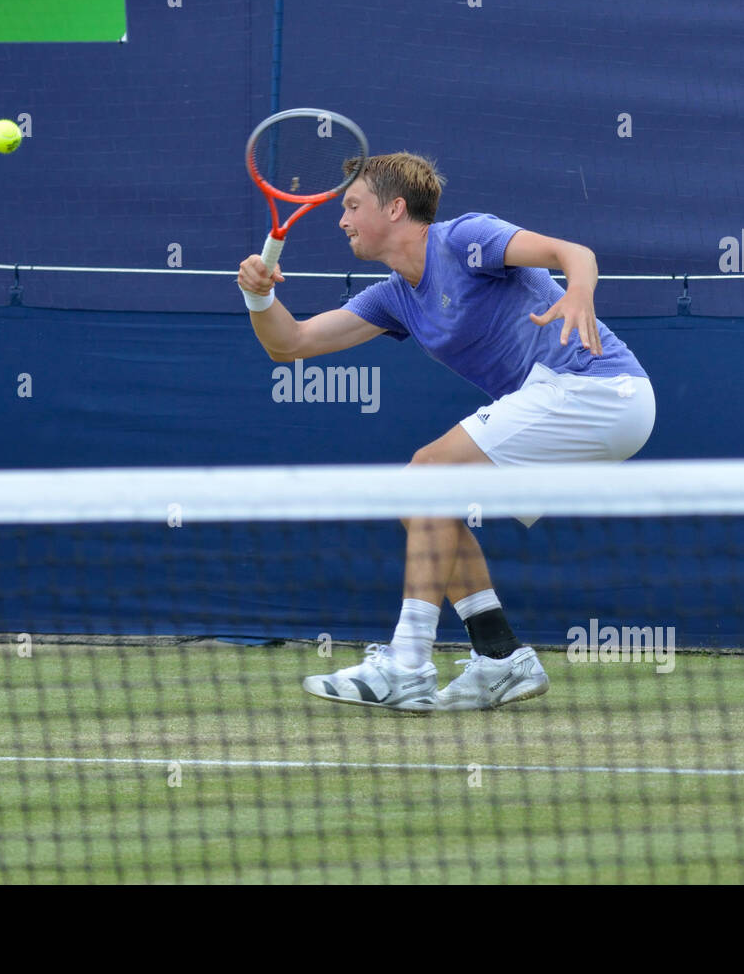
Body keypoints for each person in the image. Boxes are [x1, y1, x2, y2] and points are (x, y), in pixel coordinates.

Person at [236, 152, 654, 712]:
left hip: (599, 388)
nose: (342, 218)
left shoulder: (465, 239)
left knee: (428, 474)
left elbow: (570, 252)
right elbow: (290, 344)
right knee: (425, 501)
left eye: (353, 205)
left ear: (396, 208)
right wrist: (258, 295)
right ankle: (500, 658)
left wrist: (578, 292)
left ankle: (407, 664)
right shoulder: (393, 296)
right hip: (571, 400)